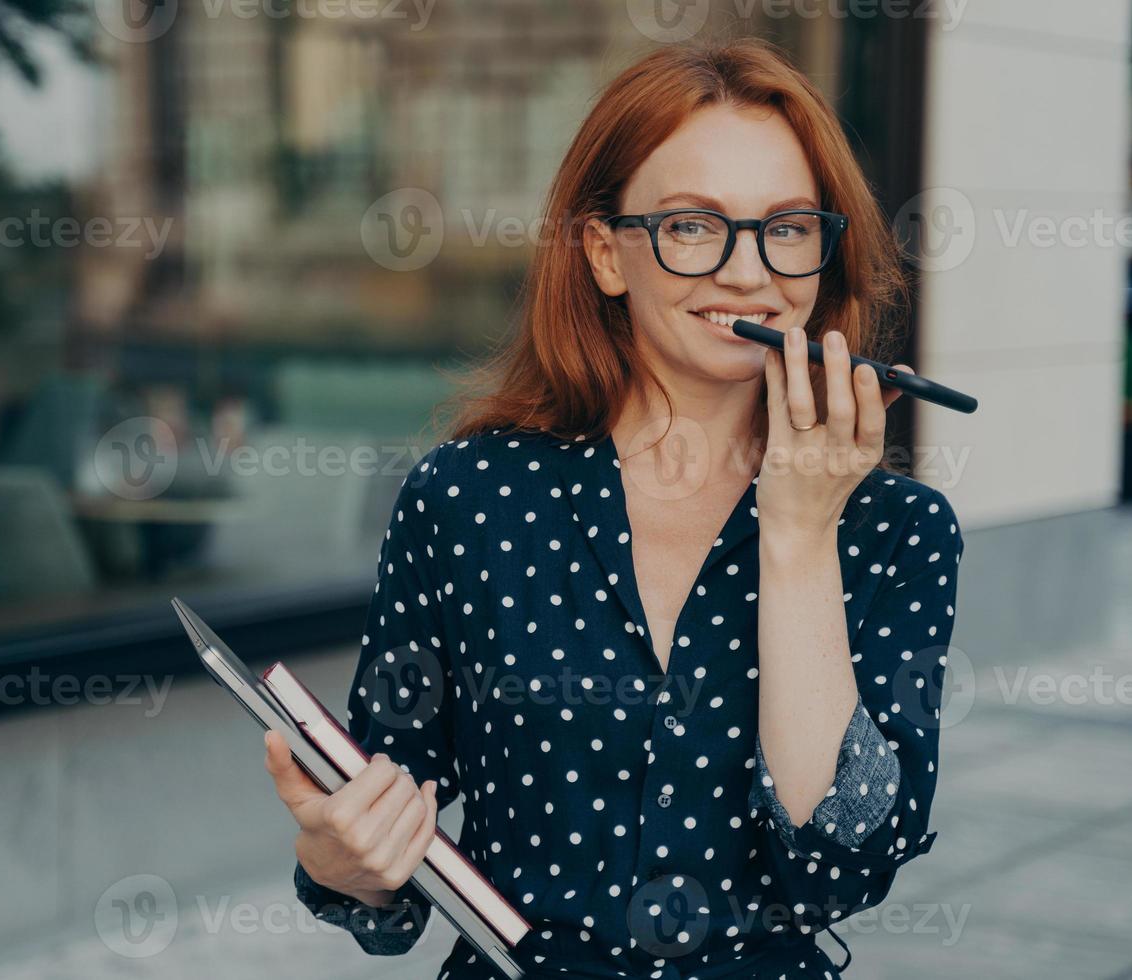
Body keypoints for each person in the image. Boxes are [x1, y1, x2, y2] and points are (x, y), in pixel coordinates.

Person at [264, 36, 964, 979]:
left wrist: (798, 531)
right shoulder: (469, 499)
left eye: (787, 227)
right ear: (603, 253)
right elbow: (389, 825)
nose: (749, 273)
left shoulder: (898, 533)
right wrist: (338, 859)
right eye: (690, 226)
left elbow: (837, 865)